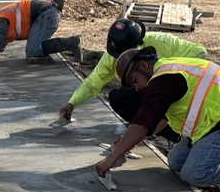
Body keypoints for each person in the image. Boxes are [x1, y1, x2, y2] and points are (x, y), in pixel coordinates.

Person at [95, 47, 220, 188]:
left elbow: (143, 121)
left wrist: (112, 158)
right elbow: (159, 119)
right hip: (216, 123)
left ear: (143, 65)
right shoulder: (169, 72)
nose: (137, 88)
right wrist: (128, 141)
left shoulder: (163, 78)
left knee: (196, 173)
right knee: (176, 161)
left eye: (134, 80)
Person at [58, 18, 207, 125]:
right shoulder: (111, 57)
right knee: (119, 98)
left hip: (171, 92)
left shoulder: (162, 42)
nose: (122, 58)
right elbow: (92, 83)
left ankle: (166, 128)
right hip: (150, 93)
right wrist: (72, 103)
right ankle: (145, 126)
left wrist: (172, 73)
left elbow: (199, 52)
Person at [0, 0, 79, 66]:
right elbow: (5, 36)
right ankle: (70, 43)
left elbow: (2, 35)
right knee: (33, 50)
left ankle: (71, 43)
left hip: (46, 15)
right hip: (46, 15)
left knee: (32, 51)